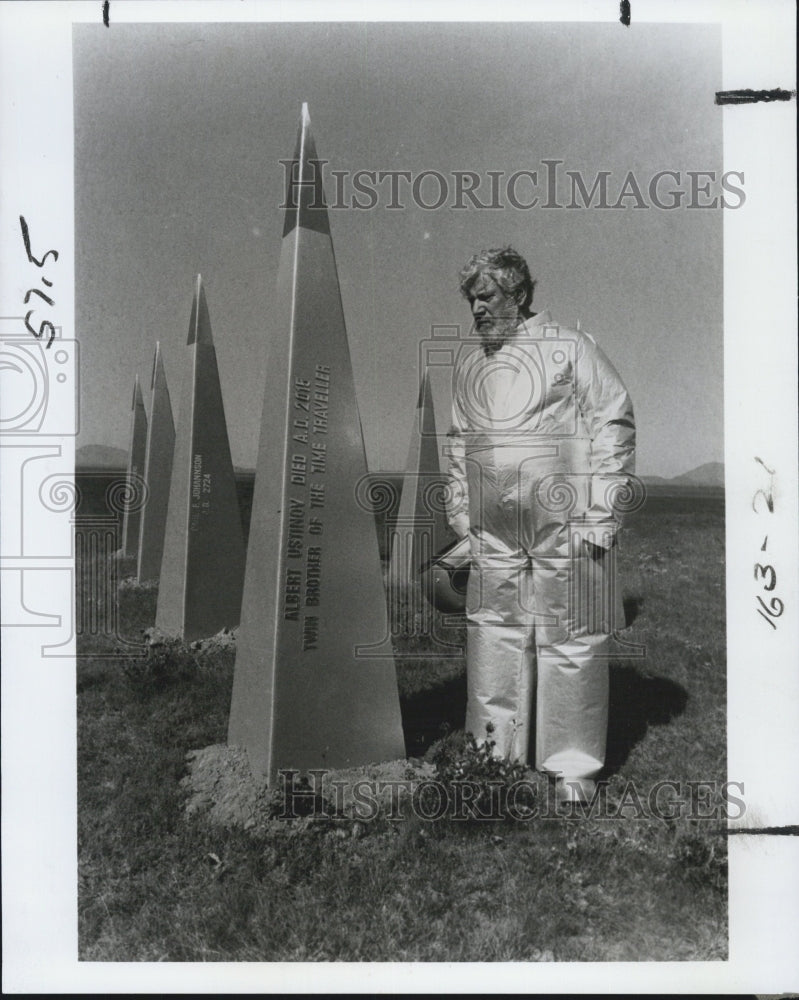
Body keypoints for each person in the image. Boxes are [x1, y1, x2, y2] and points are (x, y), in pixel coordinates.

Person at [445, 247, 635, 803]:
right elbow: (458, 442)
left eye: (488, 296)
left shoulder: (570, 348)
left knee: (570, 638)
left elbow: (613, 419)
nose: (477, 309)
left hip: (565, 525)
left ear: (520, 294)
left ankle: (572, 769)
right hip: (494, 531)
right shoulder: (471, 364)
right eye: (471, 299)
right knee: (492, 634)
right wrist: (464, 516)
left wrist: (601, 512)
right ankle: (492, 756)